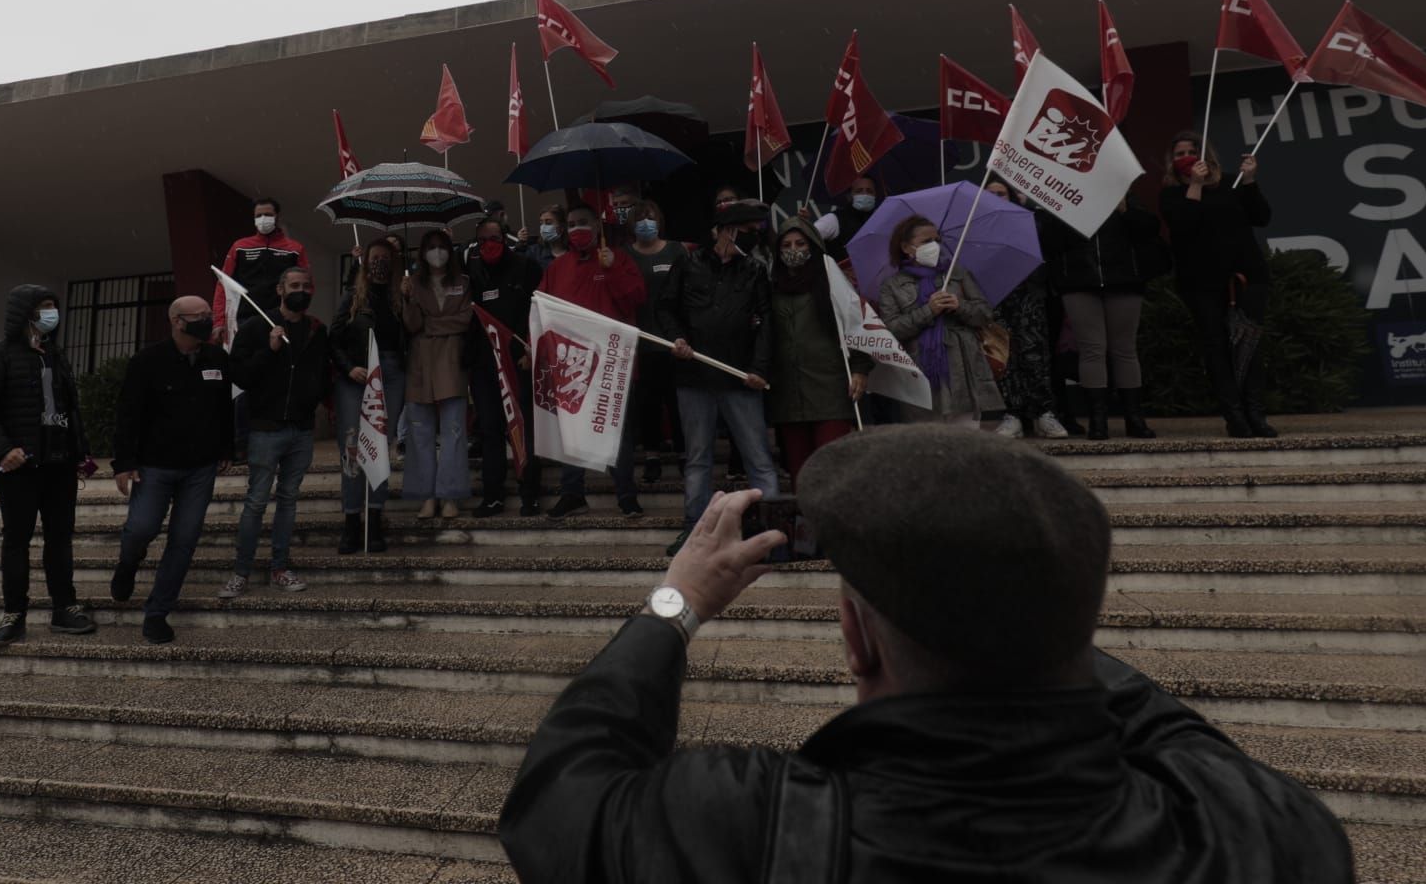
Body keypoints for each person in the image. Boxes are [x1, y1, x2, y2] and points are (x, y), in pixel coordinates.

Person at [495, 427, 1354, 883]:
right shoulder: (1265, 831)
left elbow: (562, 791)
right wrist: (1029, 593)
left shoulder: (749, 831)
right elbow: (1162, 725)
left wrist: (679, 598)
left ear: (856, 635)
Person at [0, 284, 97, 648]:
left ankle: (65, 608)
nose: (50, 313)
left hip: (59, 463)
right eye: (42, 307)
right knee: (16, 539)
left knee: (60, 538)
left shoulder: (57, 356)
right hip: (18, 466)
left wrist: (81, 451)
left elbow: (71, 409)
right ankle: (14, 614)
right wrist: (3, 449)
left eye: (53, 307)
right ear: (23, 312)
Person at [112, 296, 237, 644]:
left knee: (184, 540)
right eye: (198, 317)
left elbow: (224, 408)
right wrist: (124, 463)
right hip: (155, 466)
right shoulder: (147, 361)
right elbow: (128, 414)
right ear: (176, 321)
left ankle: (157, 612)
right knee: (141, 527)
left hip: (200, 467)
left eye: (207, 316)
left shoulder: (216, 358)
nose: (205, 321)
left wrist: (226, 448)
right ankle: (128, 562)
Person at [658, 200, 781, 552]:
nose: (752, 238)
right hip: (694, 377)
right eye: (746, 231)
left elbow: (765, 323)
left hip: (740, 378)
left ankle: (769, 533)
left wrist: (758, 369)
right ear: (727, 231)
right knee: (698, 457)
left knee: (758, 457)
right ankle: (692, 531)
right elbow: (665, 308)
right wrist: (676, 338)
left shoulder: (754, 270)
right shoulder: (688, 263)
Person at [223, 267, 331, 594]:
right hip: (265, 429)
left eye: (306, 286)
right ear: (280, 290)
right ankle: (241, 572)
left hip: (300, 429)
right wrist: (268, 352)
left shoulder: (316, 329)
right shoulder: (257, 326)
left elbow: (322, 372)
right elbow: (240, 375)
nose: (301, 290)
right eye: (294, 285)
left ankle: (280, 568)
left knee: (288, 500)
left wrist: (313, 399)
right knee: (256, 501)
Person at [1161, 132, 1275, 438]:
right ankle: (1234, 416)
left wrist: (1249, 180)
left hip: (1246, 277)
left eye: (1190, 150)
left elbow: (1261, 217)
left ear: (1205, 154)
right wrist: (1195, 186)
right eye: (1178, 152)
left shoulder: (1230, 184)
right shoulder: (1171, 195)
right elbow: (1183, 227)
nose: (1184, 156)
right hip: (1201, 282)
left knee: (1249, 344)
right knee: (1216, 347)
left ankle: (1256, 414)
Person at [537, 204, 648, 518]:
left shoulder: (617, 258)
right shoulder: (557, 269)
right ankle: (573, 493)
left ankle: (626, 494)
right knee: (572, 431)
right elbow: (543, 309)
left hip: (612, 364)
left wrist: (612, 269)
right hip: (573, 364)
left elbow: (635, 299)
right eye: (571, 224)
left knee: (617, 432)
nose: (576, 229)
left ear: (597, 227)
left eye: (583, 222)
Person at [1040, 192, 1168, 440]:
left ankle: (1134, 419)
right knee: (1092, 349)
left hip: (1124, 281)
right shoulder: (1062, 200)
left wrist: (1125, 210)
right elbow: (1050, 243)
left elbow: (1148, 230)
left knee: (1124, 349)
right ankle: (1098, 422)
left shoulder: (1126, 199)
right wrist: (1066, 212)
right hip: (1079, 282)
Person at [766, 217, 871, 481]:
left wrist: (859, 369)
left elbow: (857, 327)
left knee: (832, 468)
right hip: (788, 394)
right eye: (786, 244)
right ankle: (803, 522)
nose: (794, 249)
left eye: (800, 243)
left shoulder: (834, 285)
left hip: (831, 390)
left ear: (813, 246)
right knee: (799, 471)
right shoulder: (771, 288)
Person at [874, 216, 1003, 426]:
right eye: (926, 242)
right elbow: (892, 329)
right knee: (925, 445)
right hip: (920, 373)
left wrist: (959, 306)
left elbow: (985, 314)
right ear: (907, 247)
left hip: (963, 370)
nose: (934, 246)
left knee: (966, 443)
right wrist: (929, 311)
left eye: (937, 240)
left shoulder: (958, 274)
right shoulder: (892, 285)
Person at [330, 237, 406, 551]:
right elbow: (333, 338)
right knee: (352, 448)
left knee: (379, 446)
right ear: (365, 262)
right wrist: (349, 367)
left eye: (386, 258)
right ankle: (351, 523)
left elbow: (413, 334)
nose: (380, 262)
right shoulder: (351, 297)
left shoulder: (400, 297)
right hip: (356, 376)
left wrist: (410, 299)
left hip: (390, 374)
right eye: (375, 257)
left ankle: (374, 522)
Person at [983, 178, 1069, 440]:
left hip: (1029, 295)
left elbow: (1049, 242)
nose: (997, 198)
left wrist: (1026, 212)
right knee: (1004, 356)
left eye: (1002, 194)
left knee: (1035, 354)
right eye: (991, 194)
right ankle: (1013, 414)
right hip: (995, 298)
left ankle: (1043, 414)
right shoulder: (976, 227)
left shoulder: (1030, 222)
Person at [467, 218, 542, 517]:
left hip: (518, 361)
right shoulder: (473, 274)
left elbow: (539, 308)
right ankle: (493, 496)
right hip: (484, 367)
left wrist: (530, 347)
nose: (490, 243)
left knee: (523, 429)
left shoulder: (526, 267)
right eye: (483, 239)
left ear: (504, 237)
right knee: (490, 430)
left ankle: (530, 494)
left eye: (495, 237)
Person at [399, 230, 472, 519]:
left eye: (442, 246)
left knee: (454, 432)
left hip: (453, 362)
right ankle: (426, 495)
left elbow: (465, 319)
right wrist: (407, 300)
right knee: (420, 433)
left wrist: (432, 325)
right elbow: (412, 325)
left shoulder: (464, 282)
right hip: (420, 363)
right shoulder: (413, 284)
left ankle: (450, 495)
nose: (437, 251)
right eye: (431, 247)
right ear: (422, 252)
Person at [625, 199, 686, 484]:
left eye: (650, 217)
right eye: (639, 218)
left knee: (677, 401)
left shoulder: (676, 251)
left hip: (675, 341)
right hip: (640, 341)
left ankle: (684, 452)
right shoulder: (624, 256)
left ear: (659, 220)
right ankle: (652, 456)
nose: (645, 222)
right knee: (647, 403)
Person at [211, 197, 309, 344]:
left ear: (277, 217)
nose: (263, 219)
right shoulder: (240, 246)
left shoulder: (294, 248)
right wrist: (219, 321)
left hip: (282, 318)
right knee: (246, 363)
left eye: (268, 215)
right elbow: (223, 283)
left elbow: (306, 286)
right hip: (245, 318)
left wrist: (299, 315)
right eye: (258, 216)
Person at [811, 172, 883, 264]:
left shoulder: (880, 220)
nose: (865, 194)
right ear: (849, 195)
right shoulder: (834, 219)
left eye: (869, 191)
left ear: (875, 195)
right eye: (859, 191)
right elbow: (808, 237)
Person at [526, 202, 568, 271]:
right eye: (541, 223)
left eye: (548, 223)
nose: (543, 227)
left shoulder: (574, 252)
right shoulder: (534, 252)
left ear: (562, 227)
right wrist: (521, 246)